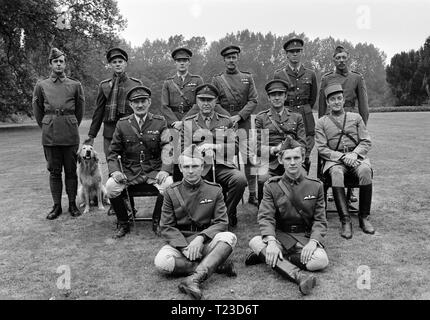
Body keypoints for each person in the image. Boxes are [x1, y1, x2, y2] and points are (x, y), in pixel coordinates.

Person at [245, 138, 328, 296]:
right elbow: (266, 217)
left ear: (303, 159)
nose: (292, 163)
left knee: (321, 260)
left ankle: (268, 258)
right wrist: (270, 241)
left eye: (296, 158)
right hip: (280, 236)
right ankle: (299, 276)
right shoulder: (271, 186)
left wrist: (313, 242)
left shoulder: (316, 185)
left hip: (304, 237)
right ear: (280, 160)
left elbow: (320, 219)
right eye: (288, 158)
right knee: (255, 241)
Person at [154, 145, 237, 300]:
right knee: (161, 262)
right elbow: (166, 226)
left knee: (229, 237)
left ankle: (193, 280)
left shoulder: (215, 190)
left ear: (202, 167)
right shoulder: (171, 192)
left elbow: (221, 222)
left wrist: (200, 238)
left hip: (205, 241)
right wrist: (184, 247)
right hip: (180, 242)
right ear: (180, 167)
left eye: (195, 166)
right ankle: (215, 266)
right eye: (186, 166)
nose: (191, 171)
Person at [186, 45, 258, 206]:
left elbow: (253, 100)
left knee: (249, 158)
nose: (231, 60)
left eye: (234, 57)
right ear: (224, 60)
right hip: (224, 119)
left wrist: (239, 116)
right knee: (221, 152)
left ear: (237, 58)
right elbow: (213, 101)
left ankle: (252, 193)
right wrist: (226, 117)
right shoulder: (217, 79)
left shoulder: (247, 77)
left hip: (243, 120)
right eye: (228, 57)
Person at [105, 86, 173, 238]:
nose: (140, 105)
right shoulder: (122, 124)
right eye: (136, 102)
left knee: (168, 184)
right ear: (130, 104)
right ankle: (123, 223)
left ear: (149, 102)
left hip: (153, 169)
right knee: (110, 186)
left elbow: (168, 147)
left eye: (143, 101)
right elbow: (113, 152)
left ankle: (158, 222)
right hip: (130, 171)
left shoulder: (160, 122)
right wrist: (116, 171)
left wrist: (165, 169)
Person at [182, 84, 247, 227]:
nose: (206, 103)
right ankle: (200, 217)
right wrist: (197, 150)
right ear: (196, 101)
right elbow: (182, 149)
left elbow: (235, 147)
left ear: (216, 100)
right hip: (199, 168)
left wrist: (215, 146)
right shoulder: (188, 122)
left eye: (209, 100)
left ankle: (227, 214)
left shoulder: (226, 121)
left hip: (223, 166)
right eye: (202, 99)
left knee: (240, 179)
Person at [315, 83, 375, 239]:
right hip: (335, 161)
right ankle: (345, 220)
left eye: (339, 98)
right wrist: (342, 157)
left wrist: (354, 154)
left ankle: (363, 217)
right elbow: (322, 148)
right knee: (336, 173)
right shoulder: (321, 122)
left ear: (343, 100)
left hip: (356, 158)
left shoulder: (356, 118)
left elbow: (366, 141)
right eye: (332, 99)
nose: (336, 102)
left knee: (365, 171)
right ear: (328, 102)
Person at [161, 47, 229, 182]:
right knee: (175, 154)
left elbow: (199, 103)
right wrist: (175, 123)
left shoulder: (197, 80)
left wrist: (184, 121)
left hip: (191, 121)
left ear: (189, 63)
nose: (182, 63)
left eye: (185, 60)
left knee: (191, 152)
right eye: (179, 60)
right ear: (175, 63)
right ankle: (177, 185)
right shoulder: (169, 82)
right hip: (174, 123)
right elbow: (164, 105)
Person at [33, 47, 85, 219]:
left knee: (70, 171)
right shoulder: (41, 86)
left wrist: (69, 122)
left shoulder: (75, 85)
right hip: (50, 135)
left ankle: (72, 204)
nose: (59, 64)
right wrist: (49, 124)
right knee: (54, 172)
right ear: (50, 64)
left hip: (70, 134)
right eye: (55, 61)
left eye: (61, 61)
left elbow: (79, 110)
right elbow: (38, 111)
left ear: (65, 63)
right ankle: (56, 206)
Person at [318, 45, 370, 203]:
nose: (341, 60)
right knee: (332, 153)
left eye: (343, 57)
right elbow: (322, 104)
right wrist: (323, 124)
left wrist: (363, 124)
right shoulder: (327, 78)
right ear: (333, 60)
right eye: (338, 58)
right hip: (331, 120)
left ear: (348, 59)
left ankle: (352, 190)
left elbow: (363, 103)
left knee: (353, 151)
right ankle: (332, 189)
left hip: (351, 119)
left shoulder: (356, 78)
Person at [255, 79, 306, 204]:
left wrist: (289, 149)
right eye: (273, 95)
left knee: (302, 177)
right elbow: (256, 147)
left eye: (280, 94)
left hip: (292, 159)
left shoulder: (297, 117)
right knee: (263, 178)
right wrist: (274, 150)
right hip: (270, 161)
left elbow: (303, 145)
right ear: (269, 97)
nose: (277, 98)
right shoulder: (261, 118)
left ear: (285, 96)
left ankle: (299, 210)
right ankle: (264, 211)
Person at [86, 47, 143, 158]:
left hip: (130, 132)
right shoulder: (104, 85)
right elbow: (99, 112)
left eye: (120, 62)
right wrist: (91, 135)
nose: (117, 64)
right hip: (109, 132)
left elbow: (141, 110)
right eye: (114, 62)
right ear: (111, 65)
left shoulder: (136, 84)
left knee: (131, 165)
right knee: (112, 165)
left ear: (125, 63)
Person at [274, 38, 318, 174]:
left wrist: (304, 109)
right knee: (288, 149)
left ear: (302, 53)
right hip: (288, 115)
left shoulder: (310, 74)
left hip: (305, 115)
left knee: (306, 153)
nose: (295, 54)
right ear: (286, 54)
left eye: (298, 51)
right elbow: (277, 96)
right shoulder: (279, 74)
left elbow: (312, 98)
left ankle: (304, 183)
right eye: (291, 51)